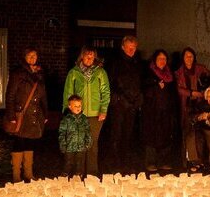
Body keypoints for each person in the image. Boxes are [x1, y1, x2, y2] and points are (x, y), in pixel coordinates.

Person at [63, 46, 110, 176]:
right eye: (87, 55)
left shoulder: (100, 72)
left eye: (92, 55)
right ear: (81, 56)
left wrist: (103, 110)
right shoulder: (74, 72)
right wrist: (69, 111)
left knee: (92, 143)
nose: (89, 58)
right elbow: (68, 93)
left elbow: (105, 92)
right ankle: (79, 171)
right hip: (79, 114)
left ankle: (92, 172)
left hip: (96, 114)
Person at [4, 47, 48, 183]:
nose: (33, 58)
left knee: (30, 142)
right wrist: (11, 116)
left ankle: (28, 173)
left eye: (35, 55)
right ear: (24, 57)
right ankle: (16, 175)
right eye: (30, 55)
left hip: (34, 116)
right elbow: (10, 95)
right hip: (20, 115)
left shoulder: (39, 74)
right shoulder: (18, 73)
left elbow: (43, 96)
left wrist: (45, 113)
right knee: (19, 142)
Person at [107, 36, 142, 174]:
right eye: (129, 47)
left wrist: (138, 97)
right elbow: (110, 83)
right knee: (116, 134)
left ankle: (124, 162)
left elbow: (139, 82)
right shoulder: (115, 63)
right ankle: (114, 163)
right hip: (119, 105)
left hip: (132, 105)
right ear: (123, 47)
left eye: (134, 47)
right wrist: (120, 98)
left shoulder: (137, 63)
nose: (131, 50)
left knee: (127, 134)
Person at [141, 49, 176, 172]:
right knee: (151, 136)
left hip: (165, 110)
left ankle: (163, 162)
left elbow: (173, 92)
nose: (162, 61)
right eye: (160, 58)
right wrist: (155, 83)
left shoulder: (170, 74)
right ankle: (150, 162)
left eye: (164, 59)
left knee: (165, 135)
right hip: (151, 110)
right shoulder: (149, 72)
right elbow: (144, 86)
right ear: (155, 60)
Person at [174, 47, 210, 158]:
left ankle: (201, 158)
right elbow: (178, 88)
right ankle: (187, 159)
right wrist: (192, 93)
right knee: (187, 132)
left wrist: (205, 92)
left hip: (200, 105)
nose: (189, 58)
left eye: (191, 56)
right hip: (186, 105)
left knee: (200, 132)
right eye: (186, 56)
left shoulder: (201, 69)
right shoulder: (178, 72)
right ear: (183, 58)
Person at [59, 95, 92, 178]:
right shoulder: (66, 119)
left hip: (81, 147)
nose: (78, 108)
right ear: (70, 107)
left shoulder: (84, 119)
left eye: (79, 106)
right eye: (75, 106)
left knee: (79, 165)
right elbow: (62, 133)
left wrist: (88, 143)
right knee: (68, 164)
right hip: (69, 148)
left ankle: (78, 180)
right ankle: (65, 179)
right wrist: (63, 145)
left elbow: (88, 131)